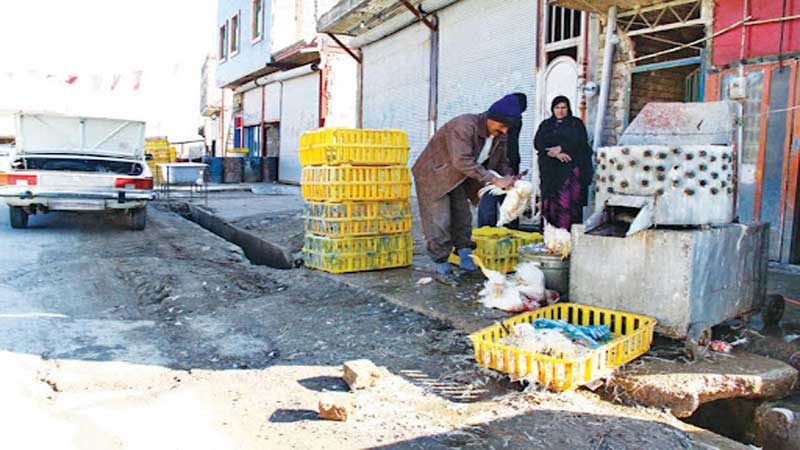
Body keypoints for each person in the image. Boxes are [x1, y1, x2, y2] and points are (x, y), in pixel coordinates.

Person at [412, 94, 523, 279]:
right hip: (434, 175)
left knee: (463, 217)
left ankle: (465, 257)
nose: (504, 131)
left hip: (458, 178)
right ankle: (442, 265)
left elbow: (500, 161)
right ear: (491, 118)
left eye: (507, 128)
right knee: (439, 221)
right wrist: (493, 180)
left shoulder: (499, 136)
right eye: (502, 126)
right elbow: (462, 161)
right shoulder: (463, 126)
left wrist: (508, 176)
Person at [534, 96, 593, 231]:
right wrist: (553, 152)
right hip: (550, 171)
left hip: (569, 171)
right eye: (557, 108)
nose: (560, 111)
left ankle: (566, 235)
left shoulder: (575, 124)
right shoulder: (546, 125)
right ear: (552, 109)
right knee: (550, 201)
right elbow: (538, 143)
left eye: (563, 108)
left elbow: (580, 141)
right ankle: (549, 236)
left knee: (567, 201)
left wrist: (562, 148)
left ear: (568, 108)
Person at [477, 92, 527, 229]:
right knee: (493, 195)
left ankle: (498, 227)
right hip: (496, 163)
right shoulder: (505, 119)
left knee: (508, 196)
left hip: (506, 162)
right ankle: (491, 228)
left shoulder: (510, 119)